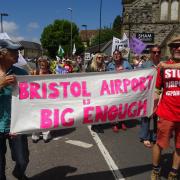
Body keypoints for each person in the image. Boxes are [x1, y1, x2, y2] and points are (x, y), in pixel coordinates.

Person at [151, 38, 180, 180]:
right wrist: (153, 107)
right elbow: (157, 89)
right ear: (170, 49)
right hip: (166, 113)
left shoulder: (164, 66)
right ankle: (155, 169)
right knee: (160, 144)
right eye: (175, 46)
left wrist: (165, 65)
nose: (178, 48)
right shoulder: (163, 68)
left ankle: (173, 173)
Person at [0, 39, 29, 180]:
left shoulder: (21, 73)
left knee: (23, 160)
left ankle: (18, 172)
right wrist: (1, 84)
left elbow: (33, 98)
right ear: (2, 54)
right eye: (13, 51)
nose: (18, 54)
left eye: (18, 51)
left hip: (16, 124)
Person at [139, 45, 161, 148]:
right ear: (151, 53)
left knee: (158, 116)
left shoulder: (163, 65)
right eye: (154, 52)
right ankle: (145, 137)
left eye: (158, 52)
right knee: (146, 116)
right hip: (148, 93)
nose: (156, 54)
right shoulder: (145, 65)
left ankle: (156, 136)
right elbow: (139, 79)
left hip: (160, 94)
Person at [106, 49, 132, 132]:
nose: (116, 56)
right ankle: (115, 124)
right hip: (113, 89)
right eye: (115, 54)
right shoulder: (109, 65)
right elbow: (105, 77)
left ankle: (122, 122)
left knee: (123, 106)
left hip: (124, 88)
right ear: (113, 56)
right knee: (114, 106)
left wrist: (124, 71)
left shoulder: (126, 63)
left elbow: (133, 73)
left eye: (118, 54)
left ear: (120, 55)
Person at [31, 56, 52, 143]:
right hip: (36, 98)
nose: (42, 63)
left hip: (47, 98)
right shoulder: (35, 72)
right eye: (40, 62)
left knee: (46, 115)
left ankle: (46, 134)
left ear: (47, 63)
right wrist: (30, 76)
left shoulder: (51, 73)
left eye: (43, 62)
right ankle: (35, 134)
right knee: (36, 115)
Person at [86, 53, 106, 133]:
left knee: (101, 107)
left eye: (101, 57)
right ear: (95, 58)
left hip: (102, 90)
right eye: (98, 57)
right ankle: (95, 125)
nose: (100, 59)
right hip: (93, 91)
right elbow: (87, 78)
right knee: (95, 108)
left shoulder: (104, 67)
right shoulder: (91, 67)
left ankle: (99, 123)